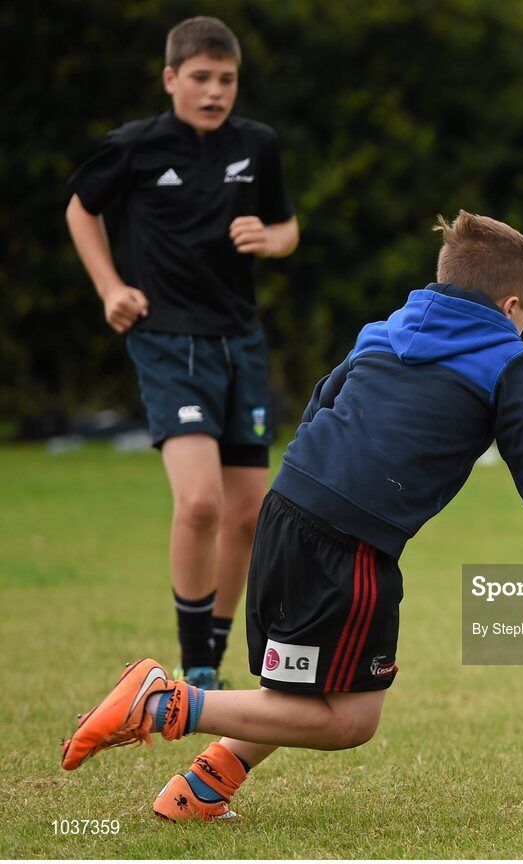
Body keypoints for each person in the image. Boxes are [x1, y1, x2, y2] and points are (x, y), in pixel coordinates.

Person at [61, 211, 523, 821]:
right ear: (513, 304)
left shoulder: (383, 330)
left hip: (288, 508)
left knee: (301, 686)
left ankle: (200, 791)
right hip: (350, 543)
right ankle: (165, 703)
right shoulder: (507, 361)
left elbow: (319, 405)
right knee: (352, 718)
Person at [65, 17, 300, 690]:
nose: (214, 91)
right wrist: (111, 288)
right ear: (171, 79)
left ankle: (208, 663)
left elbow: (287, 227)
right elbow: (81, 208)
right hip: (168, 341)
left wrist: (272, 238)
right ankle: (192, 659)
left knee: (249, 511)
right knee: (199, 502)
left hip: (240, 343)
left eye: (226, 79)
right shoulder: (135, 147)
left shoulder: (257, 145)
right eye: (200, 78)